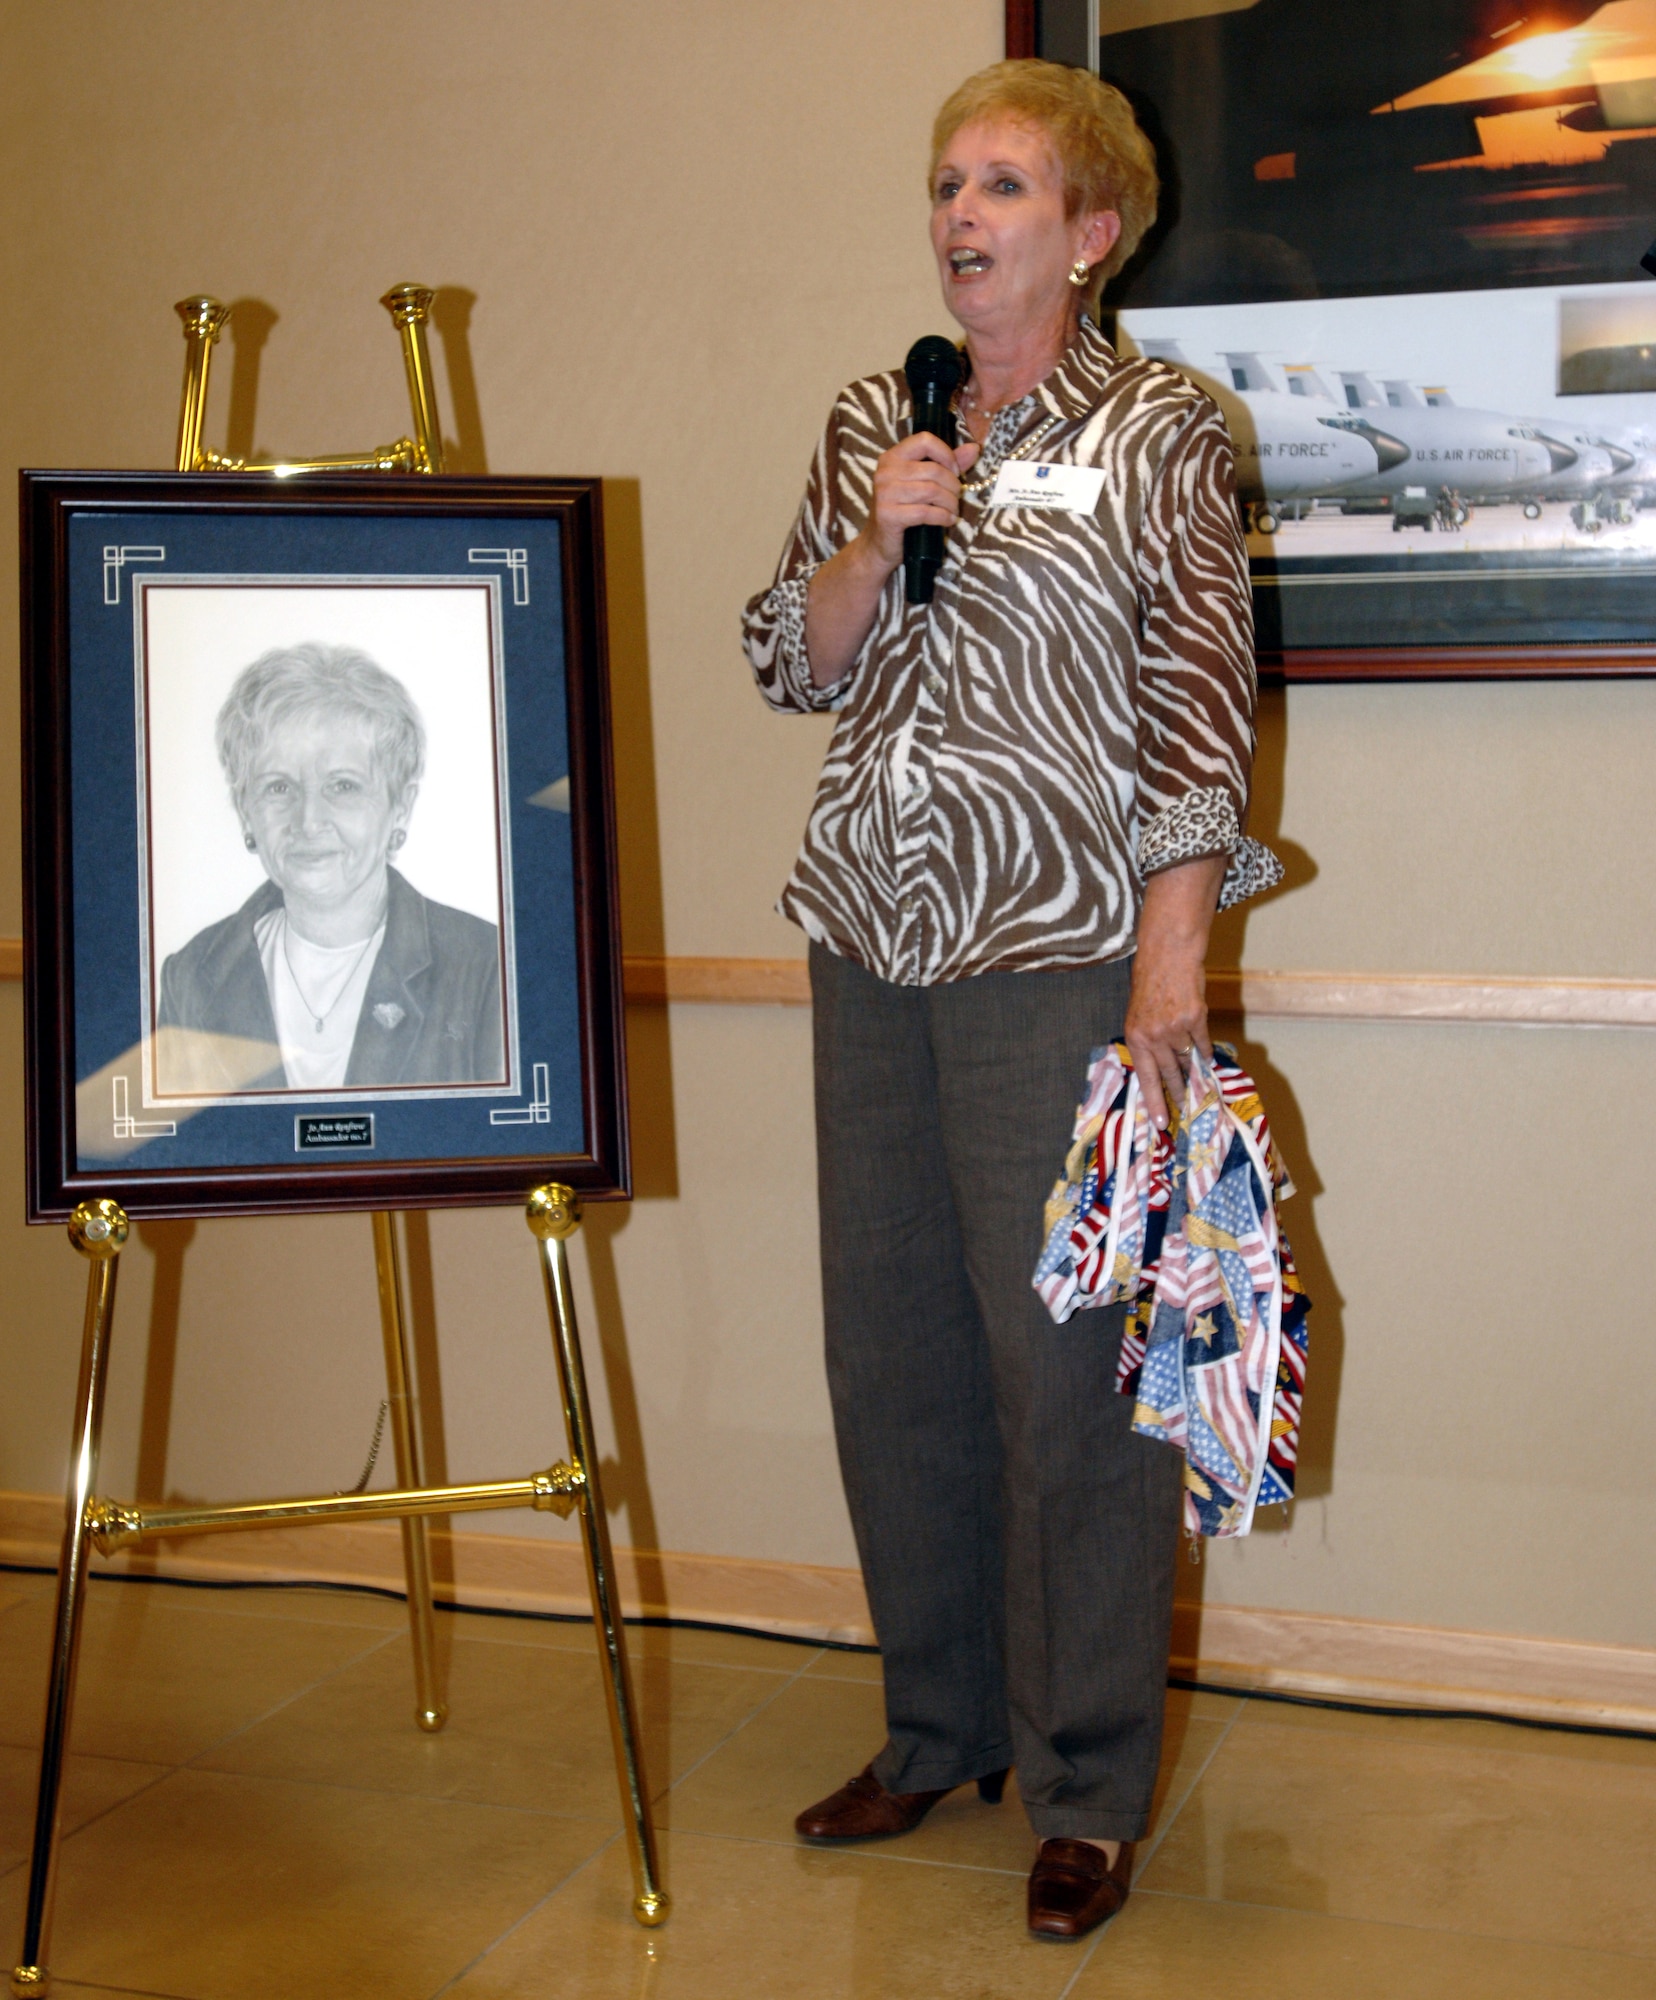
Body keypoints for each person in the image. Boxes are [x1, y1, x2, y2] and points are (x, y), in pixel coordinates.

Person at [741, 59, 1281, 1941]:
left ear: (1090, 228)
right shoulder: (870, 417)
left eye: (1004, 187)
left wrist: (1170, 960)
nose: (962, 217)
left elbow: (1201, 713)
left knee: (1065, 1382)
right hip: (865, 941)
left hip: (1052, 952)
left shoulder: (1162, 430)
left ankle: (1086, 1781)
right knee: (888, 1358)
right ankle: (936, 1723)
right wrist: (878, 537)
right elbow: (785, 662)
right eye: (945, 183)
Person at [157, 640, 503, 1094]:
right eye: (278, 787)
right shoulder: (193, 974)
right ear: (245, 810)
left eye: (342, 786)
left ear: (400, 806)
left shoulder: (485, 966)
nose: (308, 821)